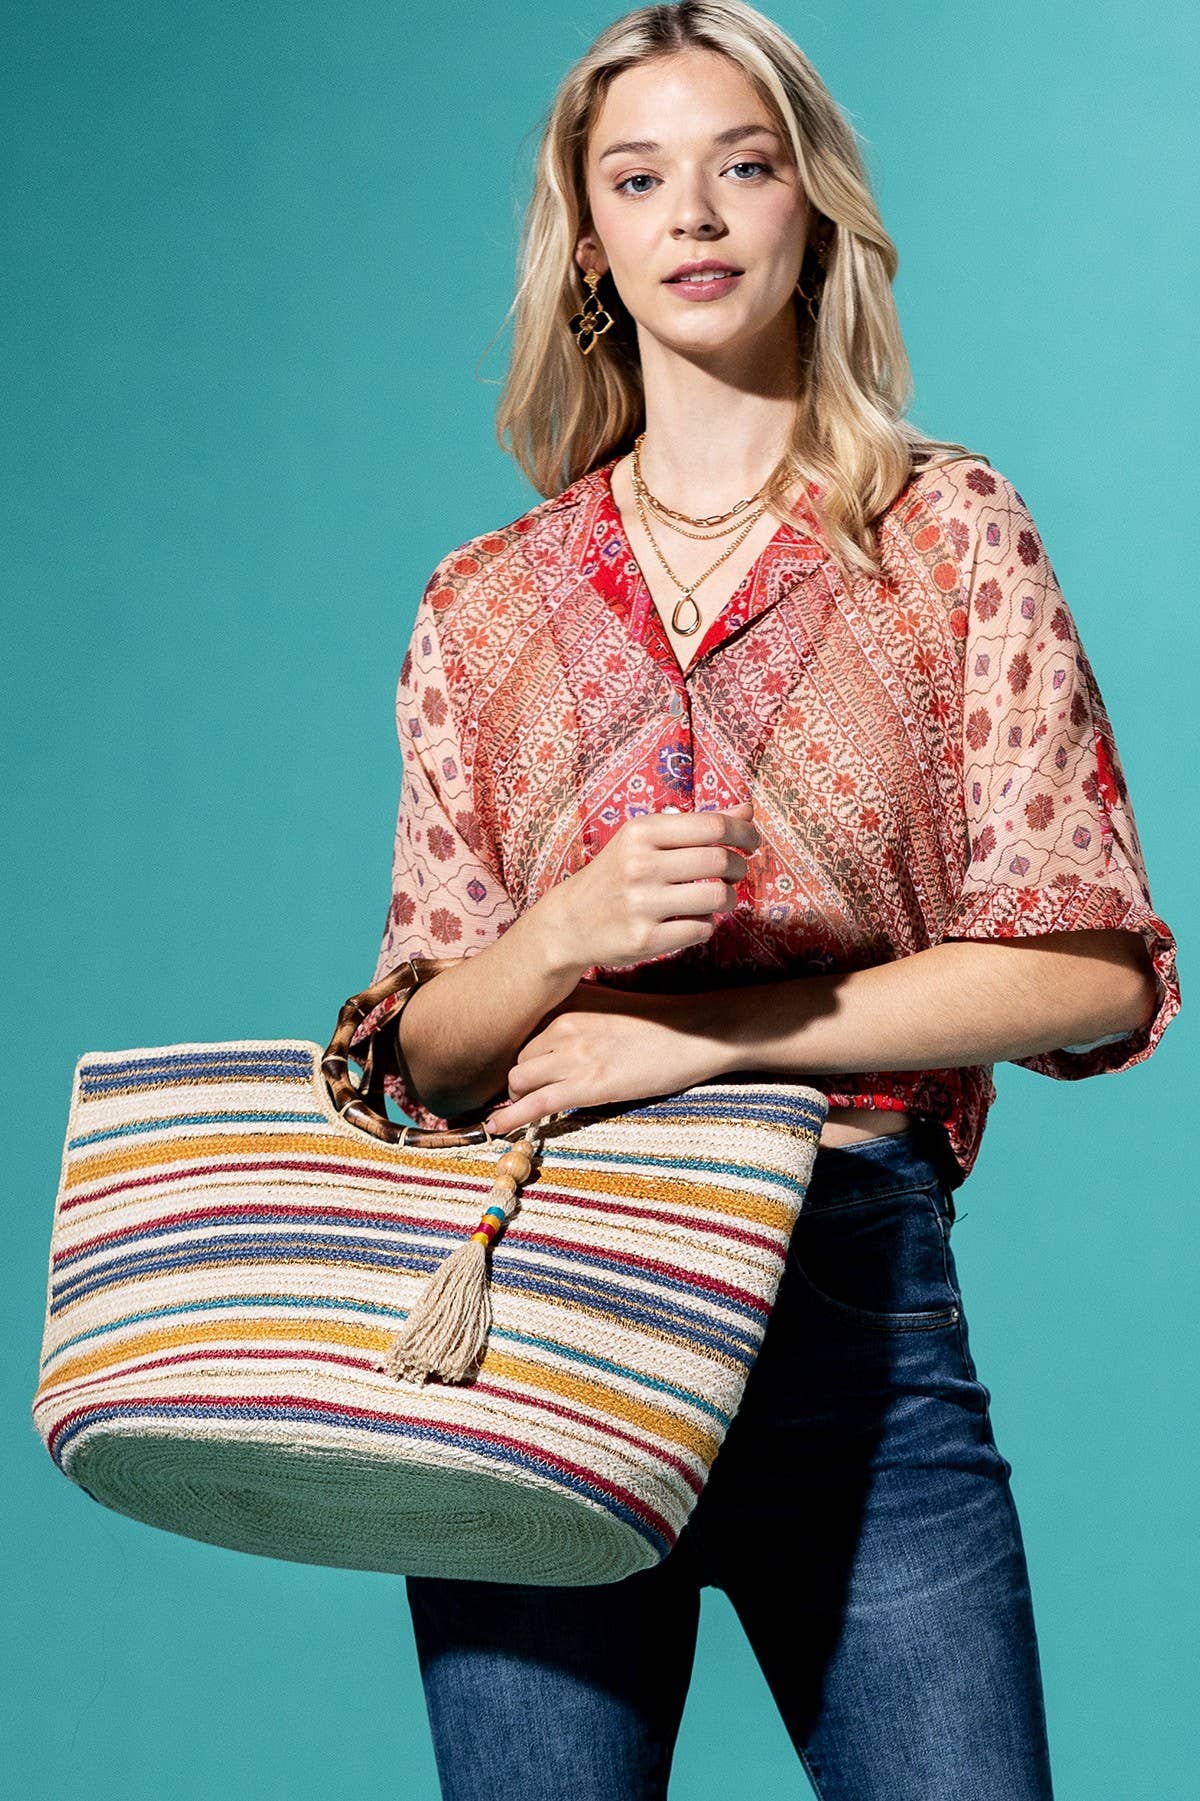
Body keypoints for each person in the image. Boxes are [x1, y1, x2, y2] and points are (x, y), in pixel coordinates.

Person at [351, 4, 1181, 1795]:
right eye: (639, 179)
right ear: (590, 240)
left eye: (744, 165)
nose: (696, 215)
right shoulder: (480, 606)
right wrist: (559, 939)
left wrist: (699, 1040)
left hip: (852, 1314)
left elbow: (1097, 968)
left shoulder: (947, 534)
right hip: (546, 1304)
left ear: (813, 206)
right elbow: (421, 1056)